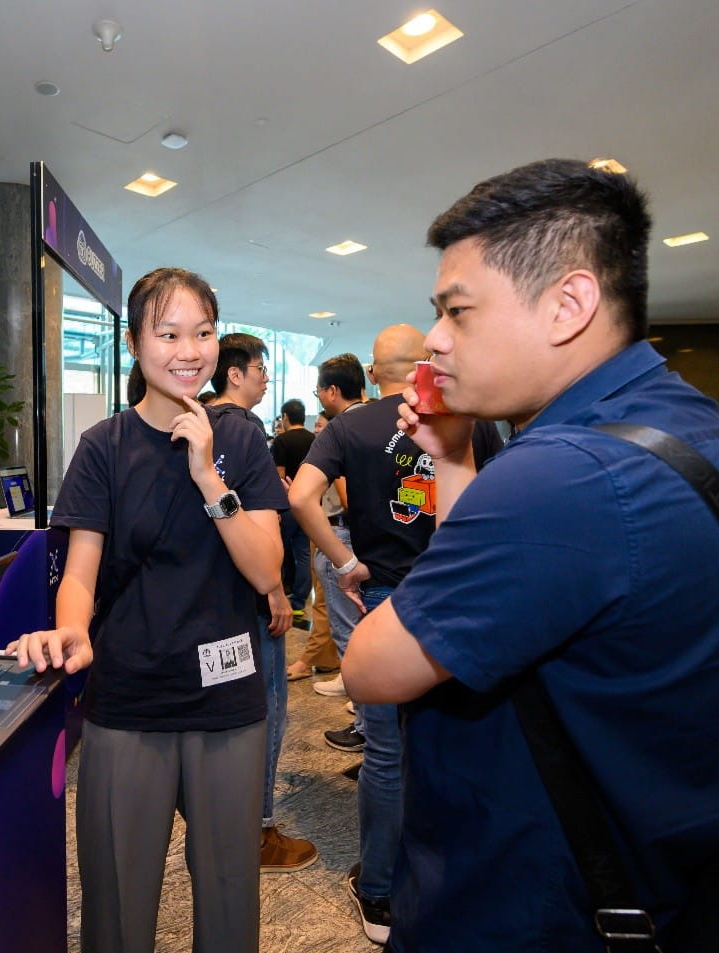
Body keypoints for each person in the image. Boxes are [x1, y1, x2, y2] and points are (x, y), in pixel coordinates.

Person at [342, 158, 719, 951]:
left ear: (568, 303)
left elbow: (370, 666)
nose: (434, 338)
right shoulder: (693, 426)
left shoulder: (561, 475)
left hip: (542, 908)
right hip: (690, 877)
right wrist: (455, 461)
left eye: (458, 311)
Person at [8, 268, 286, 953]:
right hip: (128, 699)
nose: (189, 349)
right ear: (135, 343)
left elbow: (267, 567)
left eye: (203, 332)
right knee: (117, 904)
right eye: (168, 333)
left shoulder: (242, 439)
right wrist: (72, 628)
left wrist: (208, 476)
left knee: (229, 897)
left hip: (228, 704)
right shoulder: (104, 446)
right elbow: (80, 572)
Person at [289, 325, 500, 944]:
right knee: (458, 736)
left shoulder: (348, 428)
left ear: (376, 369)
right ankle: (452, 877)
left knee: (386, 750)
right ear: (423, 364)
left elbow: (303, 498)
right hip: (459, 593)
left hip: (385, 597)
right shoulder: (469, 419)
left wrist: (345, 562)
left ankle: (379, 893)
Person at [206, 332, 315, 873]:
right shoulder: (246, 433)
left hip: (209, 603)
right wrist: (274, 590)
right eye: (260, 368)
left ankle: (228, 826)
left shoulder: (194, 426)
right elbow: (260, 532)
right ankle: (258, 830)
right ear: (235, 374)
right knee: (267, 711)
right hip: (251, 597)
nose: (266, 377)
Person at [300, 353, 367, 703]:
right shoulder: (382, 420)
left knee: (347, 623)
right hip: (373, 538)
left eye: (319, 391)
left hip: (341, 532)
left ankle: (358, 695)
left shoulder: (342, 429)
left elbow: (312, 496)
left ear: (332, 392)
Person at [286, 410, 344, 681]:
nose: (317, 430)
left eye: (321, 425)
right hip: (328, 527)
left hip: (333, 531)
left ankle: (313, 659)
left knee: (325, 600)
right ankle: (328, 659)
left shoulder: (338, 454)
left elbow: (345, 499)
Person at [270, 398, 316, 623]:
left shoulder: (282, 441)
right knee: (303, 553)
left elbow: (279, 477)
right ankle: (299, 603)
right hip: (308, 504)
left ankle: (274, 598)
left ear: (286, 417)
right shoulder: (314, 439)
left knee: (277, 551)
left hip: (287, 504)